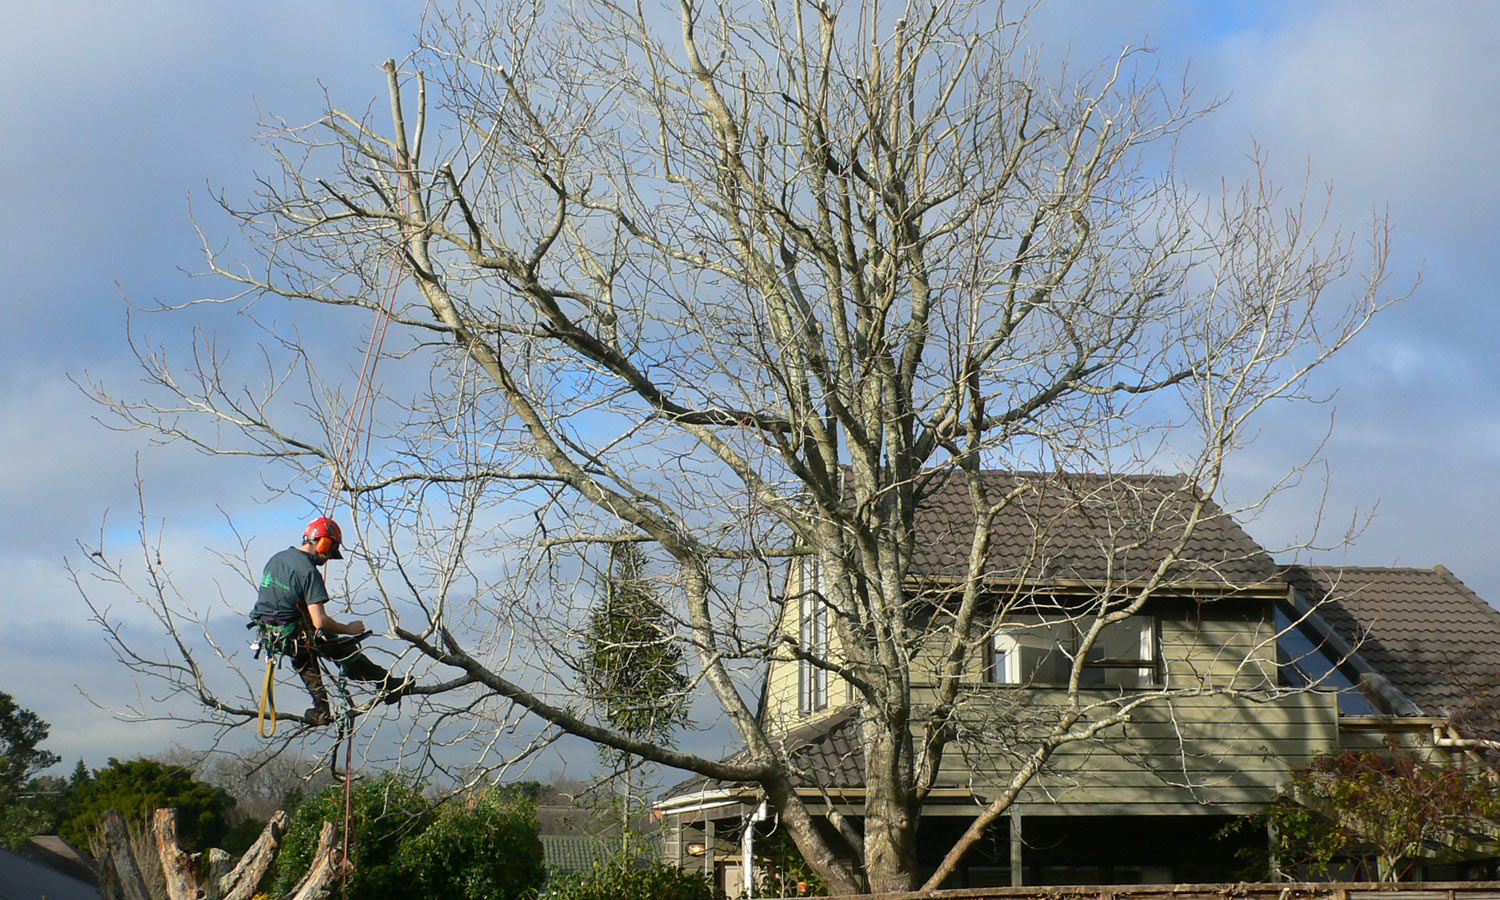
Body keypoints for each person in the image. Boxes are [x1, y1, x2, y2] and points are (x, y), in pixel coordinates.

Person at [249, 516, 409, 725]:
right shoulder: (308, 572)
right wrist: (348, 629)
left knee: (305, 658)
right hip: (292, 633)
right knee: (342, 647)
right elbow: (320, 621)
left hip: (272, 633)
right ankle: (389, 684)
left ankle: (321, 709)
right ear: (324, 543)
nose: (327, 559)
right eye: (329, 552)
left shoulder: (277, 558)